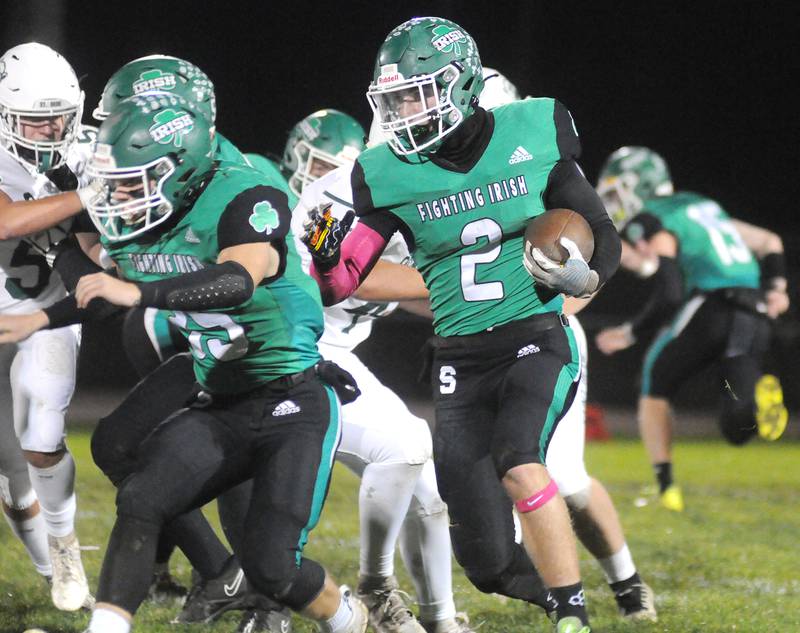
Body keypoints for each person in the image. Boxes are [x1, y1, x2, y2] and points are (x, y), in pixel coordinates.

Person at [0, 93, 368, 633]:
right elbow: (98, 290)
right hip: (216, 384)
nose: (120, 194)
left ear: (180, 169)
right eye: (116, 179)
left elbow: (238, 278)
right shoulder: (144, 218)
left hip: (289, 392)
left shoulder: (247, 194)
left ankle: (349, 619)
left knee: (273, 567)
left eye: (133, 179)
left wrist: (138, 295)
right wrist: (41, 310)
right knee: (141, 496)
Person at [301, 17, 622, 633]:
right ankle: (560, 597)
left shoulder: (532, 129)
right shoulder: (387, 170)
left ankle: (574, 618)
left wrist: (586, 280)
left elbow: (597, 228)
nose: (403, 111)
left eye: (415, 93)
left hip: (535, 337)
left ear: (461, 83)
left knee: (519, 458)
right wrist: (324, 254)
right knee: (488, 564)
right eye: (393, 99)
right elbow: (346, 279)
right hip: (459, 359)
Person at [476, 68, 656, 620]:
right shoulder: (428, 177)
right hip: (471, 346)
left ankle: (624, 584)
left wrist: (556, 306)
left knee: (566, 481)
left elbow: (590, 254)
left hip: (540, 339)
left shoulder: (535, 166)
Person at [290, 109, 474, 633]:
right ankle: (376, 586)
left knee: (431, 491)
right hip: (298, 348)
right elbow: (350, 278)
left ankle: (440, 621)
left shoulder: (417, 197)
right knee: (408, 443)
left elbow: (416, 290)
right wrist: (448, 282)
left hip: (337, 351)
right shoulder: (341, 191)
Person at [595, 146, 790, 512]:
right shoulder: (703, 207)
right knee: (737, 427)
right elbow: (769, 242)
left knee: (654, 381)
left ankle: (666, 486)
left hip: (712, 308)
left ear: (641, 185)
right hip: (756, 312)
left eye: (618, 190)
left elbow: (668, 292)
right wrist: (778, 289)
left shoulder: (654, 216)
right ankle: (757, 400)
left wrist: (630, 333)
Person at [0, 41, 101, 612]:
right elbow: (6, 220)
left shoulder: (90, 151)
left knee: (40, 429)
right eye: (35, 121)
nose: (50, 131)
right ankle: (49, 571)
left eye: (59, 117)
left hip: (47, 312)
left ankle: (65, 547)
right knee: (12, 478)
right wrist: (84, 195)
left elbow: (93, 246)